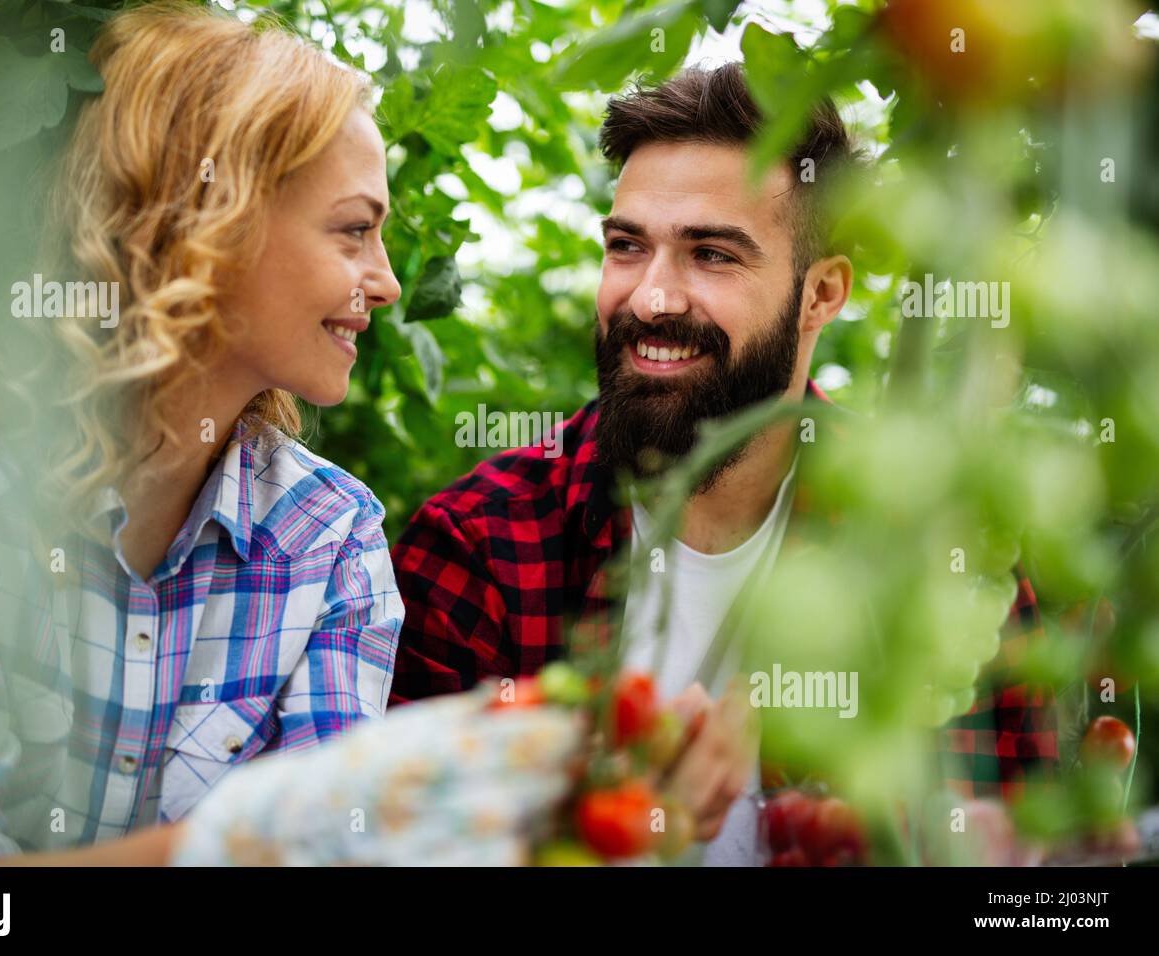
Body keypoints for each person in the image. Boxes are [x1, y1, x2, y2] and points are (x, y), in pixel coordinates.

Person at [0, 1, 578, 867]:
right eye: (354, 230)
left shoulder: (331, 537)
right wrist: (269, 831)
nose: (386, 282)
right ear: (209, 224)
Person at [387, 64, 1059, 863]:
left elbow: (1035, 885)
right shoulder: (481, 543)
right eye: (627, 246)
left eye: (711, 254)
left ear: (822, 295)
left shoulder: (933, 553)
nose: (653, 298)